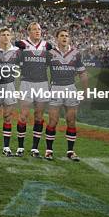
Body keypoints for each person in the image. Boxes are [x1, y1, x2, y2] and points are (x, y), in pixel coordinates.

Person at [44, 27, 89, 161]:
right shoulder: (50, 53)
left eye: (67, 36)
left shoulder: (76, 53)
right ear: (57, 38)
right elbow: (41, 71)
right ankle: (49, 150)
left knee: (71, 121)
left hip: (70, 89)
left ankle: (70, 151)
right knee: (53, 121)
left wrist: (86, 90)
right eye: (62, 35)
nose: (64, 38)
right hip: (55, 88)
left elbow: (82, 73)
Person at [15, 22, 53, 157]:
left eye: (39, 29)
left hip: (42, 84)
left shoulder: (47, 46)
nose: (38, 31)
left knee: (39, 116)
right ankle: (20, 147)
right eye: (35, 29)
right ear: (29, 32)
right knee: (23, 115)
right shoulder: (21, 44)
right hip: (26, 83)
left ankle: (35, 148)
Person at [0, 27, 21, 157]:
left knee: (7, 116)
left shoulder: (17, 51)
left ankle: (6, 147)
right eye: (3, 35)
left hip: (10, 86)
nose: (6, 37)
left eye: (8, 34)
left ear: (11, 37)